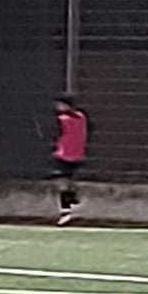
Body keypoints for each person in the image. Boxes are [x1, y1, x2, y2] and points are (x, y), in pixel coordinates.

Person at [51, 95, 89, 226]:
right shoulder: (81, 117)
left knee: (62, 183)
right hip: (78, 154)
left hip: (64, 154)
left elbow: (54, 133)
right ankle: (72, 198)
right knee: (67, 180)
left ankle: (66, 211)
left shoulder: (62, 120)